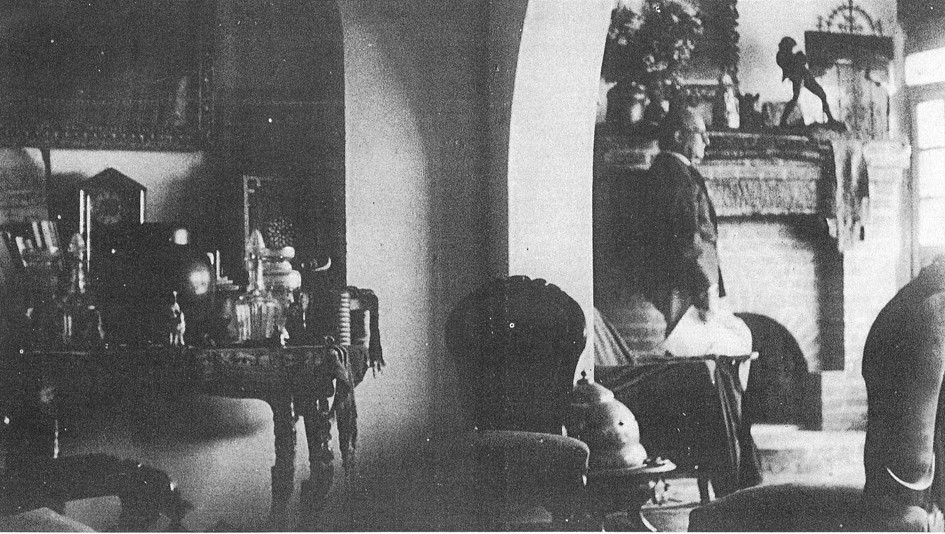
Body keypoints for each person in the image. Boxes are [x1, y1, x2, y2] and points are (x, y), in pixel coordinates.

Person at [776, 36, 837, 127]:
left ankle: (830, 118)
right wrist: (798, 58)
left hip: (803, 75)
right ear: (786, 46)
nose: (791, 49)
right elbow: (789, 66)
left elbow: (799, 62)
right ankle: (783, 121)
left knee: (821, 94)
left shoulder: (785, 55)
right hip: (798, 77)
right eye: (790, 47)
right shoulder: (781, 55)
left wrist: (799, 58)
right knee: (797, 98)